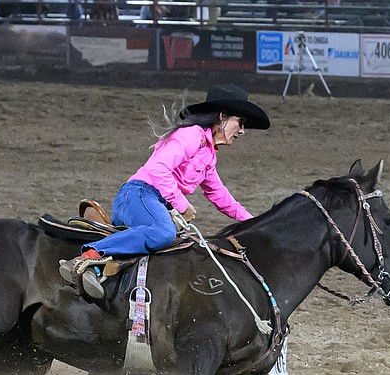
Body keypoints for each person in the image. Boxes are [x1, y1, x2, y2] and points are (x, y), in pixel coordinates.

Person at [59, 84, 270, 299]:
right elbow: (158, 169)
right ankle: (90, 254)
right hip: (139, 195)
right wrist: (182, 204)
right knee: (164, 232)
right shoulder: (191, 136)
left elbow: (222, 198)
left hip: (147, 203)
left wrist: (257, 223)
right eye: (240, 122)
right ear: (222, 117)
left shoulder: (208, 155)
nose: (242, 131)